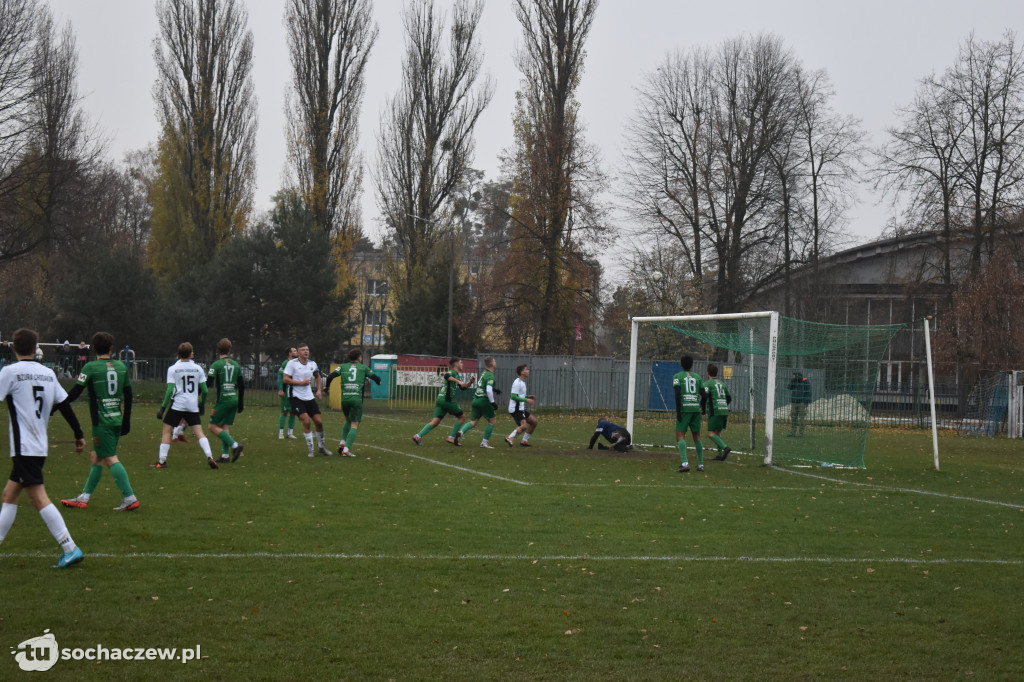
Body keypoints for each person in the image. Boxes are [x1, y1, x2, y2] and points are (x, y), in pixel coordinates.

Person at [0, 328, 87, 568]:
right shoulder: (48, 373)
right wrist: (78, 433)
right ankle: (69, 547)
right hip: (38, 446)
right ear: (36, 347)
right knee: (9, 495)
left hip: (24, 447)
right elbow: (65, 404)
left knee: (38, 498)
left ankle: (70, 547)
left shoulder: (10, 372)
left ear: (14, 348)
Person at [60, 331, 139, 511]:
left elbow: (74, 393)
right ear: (111, 348)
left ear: (93, 348)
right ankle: (84, 498)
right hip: (116, 420)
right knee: (96, 457)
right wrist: (127, 421)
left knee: (110, 458)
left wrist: (57, 406)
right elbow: (129, 395)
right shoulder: (121, 367)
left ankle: (130, 497)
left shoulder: (91, 368)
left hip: (101, 422)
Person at [153, 342, 218, 469]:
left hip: (178, 405)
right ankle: (210, 457)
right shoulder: (198, 369)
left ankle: (162, 461)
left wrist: (163, 407)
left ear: (179, 353)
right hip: (192, 405)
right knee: (199, 432)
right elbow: (204, 390)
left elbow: (170, 390)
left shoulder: (173, 369)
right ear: (191, 353)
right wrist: (202, 404)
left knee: (167, 430)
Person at [325, 348, 381, 457]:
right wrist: (378, 381)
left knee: (348, 420)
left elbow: (330, 376)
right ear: (359, 357)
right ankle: (346, 449)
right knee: (355, 424)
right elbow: (375, 377)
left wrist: (326, 387)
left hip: (345, 399)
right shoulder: (363, 368)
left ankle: (342, 442)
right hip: (356, 399)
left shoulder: (343, 366)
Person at [412, 357, 475, 446]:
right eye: (461, 363)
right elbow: (446, 376)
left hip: (440, 399)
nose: (462, 364)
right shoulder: (452, 372)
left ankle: (418, 436)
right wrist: (458, 381)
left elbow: (463, 387)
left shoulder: (456, 374)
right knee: (462, 417)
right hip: (447, 400)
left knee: (435, 421)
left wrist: (470, 382)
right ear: (456, 364)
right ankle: (451, 437)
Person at [283, 343, 330, 457]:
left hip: (309, 397)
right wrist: (300, 383)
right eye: (303, 350)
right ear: (298, 353)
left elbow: (317, 376)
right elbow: (285, 379)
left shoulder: (312, 364)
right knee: (306, 421)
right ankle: (311, 450)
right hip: (295, 397)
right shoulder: (292, 364)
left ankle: (322, 447)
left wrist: (319, 390)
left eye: (307, 349)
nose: (306, 351)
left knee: (319, 422)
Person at [207, 338, 245, 463]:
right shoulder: (236, 364)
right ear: (230, 349)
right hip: (234, 398)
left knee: (212, 426)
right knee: (224, 426)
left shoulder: (216, 364)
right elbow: (242, 385)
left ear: (218, 350)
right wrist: (240, 403)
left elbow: (209, 382)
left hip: (223, 400)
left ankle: (235, 446)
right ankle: (225, 456)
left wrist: (198, 391)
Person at [457, 355, 501, 448]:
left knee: (473, 421)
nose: (495, 363)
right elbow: (488, 390)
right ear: (492, 363)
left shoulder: (484, 373)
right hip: (484, 400)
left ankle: (461, 432)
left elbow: (484, 386)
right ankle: (484, 443)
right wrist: (493, 403)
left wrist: (494, 389)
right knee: (492, 421)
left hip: (476, 399)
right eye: (494, 361)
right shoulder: (490, 375)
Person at [673, 355, 705, 473]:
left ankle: (685, 463)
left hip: (685, 409)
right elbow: (704, 394)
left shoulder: (677, 376)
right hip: (696, 410)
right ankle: (701, 464)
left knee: (680, 435)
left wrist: (678, 411)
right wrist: (702, 406)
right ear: (691, 365)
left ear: (681, 364)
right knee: (697, 436)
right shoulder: (698, 377)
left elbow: (677, 394)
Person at [701, 363, 732, 461]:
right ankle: (720, 455)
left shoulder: (708, 384)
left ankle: (725, 447)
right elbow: (729, 398)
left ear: (707, 373)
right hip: (724, 410)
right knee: (717, 432)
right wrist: (723, 404)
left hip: (715, 411)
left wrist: (703, 409)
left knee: (710, 433)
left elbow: (704, 396)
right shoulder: (722, 383)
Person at [505, 364, 538, 447]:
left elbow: (519, 395)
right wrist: (526, 400)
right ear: (522, 372)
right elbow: (513, 396)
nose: (528, 371)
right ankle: (510, 437)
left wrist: (527, 396)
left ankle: (524, 441)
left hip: (520, 408)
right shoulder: (517, 383)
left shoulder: (522, 382)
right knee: (523, 426)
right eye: (526, 369)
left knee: (534, 422)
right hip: (516, 408)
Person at [277, 346, 298, 439]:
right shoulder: (285, 363)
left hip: (295, 391)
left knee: (293, 412)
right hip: (287, 391)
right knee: (284, 411)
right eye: (294, 351)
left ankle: (290, 433)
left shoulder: (297, 363)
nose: (296, 352)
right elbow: (280, 377)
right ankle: (281, 432)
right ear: (290, 353)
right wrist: (281, 389)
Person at [788, 370, 812, 437]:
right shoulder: (794, 382)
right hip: (794, 402)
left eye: (794, 376)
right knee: (793, 418)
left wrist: (806, 402)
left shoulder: (805, 382)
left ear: (798, 376)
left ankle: (801, 433)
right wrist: (792, 381)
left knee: (801, 419)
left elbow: (808, 392)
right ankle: (792, 433)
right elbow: (789, 387)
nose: (793, 377)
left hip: (802, 403)